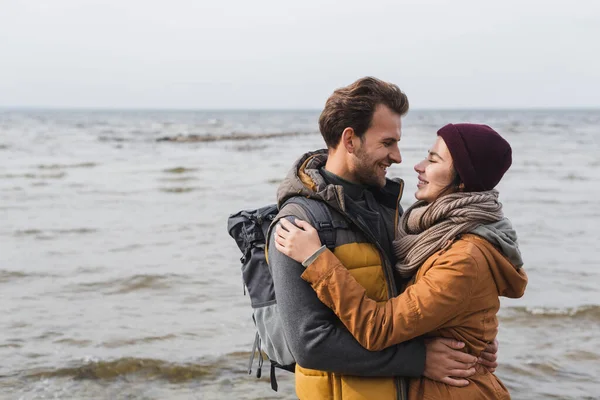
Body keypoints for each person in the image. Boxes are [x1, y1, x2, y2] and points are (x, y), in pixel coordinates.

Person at [267, 78, 499, 400]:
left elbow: (421, 300)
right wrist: (419, 360)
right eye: (387, 142)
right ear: (351, 140)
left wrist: (472, 337)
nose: (399, 156)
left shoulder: (390, 208)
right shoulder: (297, 225)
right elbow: (310, 345)